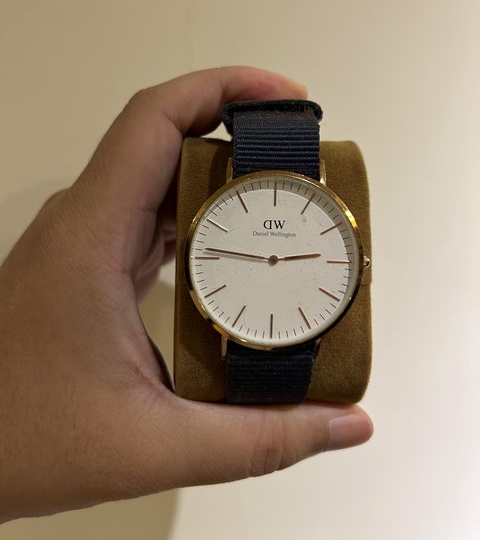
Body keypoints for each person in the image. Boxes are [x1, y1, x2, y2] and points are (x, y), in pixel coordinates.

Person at [0, 66, 373, 523]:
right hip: (234, 332)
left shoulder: (307, 191)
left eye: (278, 257)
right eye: (267, 256)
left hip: (281, 330)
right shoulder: (224, 315)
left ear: (360, 267)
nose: (273, 258)